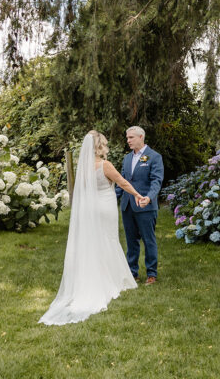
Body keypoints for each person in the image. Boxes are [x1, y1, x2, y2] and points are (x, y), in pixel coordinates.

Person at [40, 131, 141, 325]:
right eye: (104, 144)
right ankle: (114, 280)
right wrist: (137, 194)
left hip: (93, 209)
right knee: (109, 239)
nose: (106, 147)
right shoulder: (105, 165)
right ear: (99, 146)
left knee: (98, 240)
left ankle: (102, 276)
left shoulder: (84, 168)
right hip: (106, 207)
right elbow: (122, 182)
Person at [116, 126, 164, 284]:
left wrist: (149, 198)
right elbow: (122, 182)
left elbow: (156, 181)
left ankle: (152, 274)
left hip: (145, 207)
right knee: (131, 241)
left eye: (131, 137)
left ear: (141, 137)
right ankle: (132, 273)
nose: (128, 140)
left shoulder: (154, 157)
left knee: (148, 240)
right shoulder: (127, 158)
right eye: (127, 138)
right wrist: (111, 198)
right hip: (127, 206)